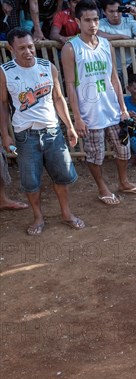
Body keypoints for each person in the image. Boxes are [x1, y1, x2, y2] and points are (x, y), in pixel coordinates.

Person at [62, 0, 136, 206]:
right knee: (95, 155)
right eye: (87, 20)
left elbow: (114, 79)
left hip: (112, 109)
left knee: (123, 150)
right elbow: (70, 85)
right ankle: (102, 187)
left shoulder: (106, 45)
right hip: (89, 113)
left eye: (94, 20)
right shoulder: (71, 48)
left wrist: (123, 108)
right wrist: (78, 118)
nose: (92, 24)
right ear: (78, 21)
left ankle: (124, 181)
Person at [0, 27, 84, 235]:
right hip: (24, 135)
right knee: (30, 181)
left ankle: (66, 213)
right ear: (11, 48)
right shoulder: (5, 72)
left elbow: (58, 98)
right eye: (22, 48)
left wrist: (70, 127)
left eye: (30, 46)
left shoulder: (48, 67)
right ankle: (38, 217)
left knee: (61, 176)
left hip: (53, 131)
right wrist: (5, 134)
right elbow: (2, 104)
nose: (28, 51)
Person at [98, 0, 136, 77]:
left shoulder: (129, 21)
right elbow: (98, 34)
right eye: (111, 11)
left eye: (118, 11)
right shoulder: (101, 22)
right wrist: (121, 36)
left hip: (131, 66)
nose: (115, 15)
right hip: (110, 69)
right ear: (104, 12)